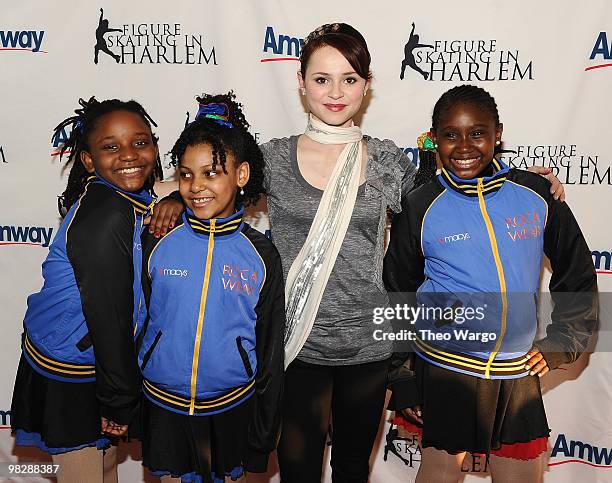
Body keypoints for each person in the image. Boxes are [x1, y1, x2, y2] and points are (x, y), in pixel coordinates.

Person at [149, 24, 565, 483]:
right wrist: (169, 198)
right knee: (298, 473)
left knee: (351, 470)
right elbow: (207, 184)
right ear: (301, 83)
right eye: (322, 79)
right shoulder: (272, 158)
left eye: (349, 79)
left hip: (369, 350)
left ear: (366, 87)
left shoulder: (387, 159)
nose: (335, 92)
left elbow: (450, 197)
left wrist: (522, 180)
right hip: (294, 350)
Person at [384, 84, 598, 483]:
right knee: (440, 473)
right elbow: (398, 292)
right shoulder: (421, 204)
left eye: (477, 133)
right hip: (444, 368)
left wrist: (563, 341)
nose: (464, 146)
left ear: (498, 133)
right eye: (450, 135)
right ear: (434, 140)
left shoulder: (536, 194)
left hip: (516, 374)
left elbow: (578, 272)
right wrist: (403, 377)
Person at [10, 97, 163, 482]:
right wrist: (118, 399)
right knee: (83, 470)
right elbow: (108, 317)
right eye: (110, 147)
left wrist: (176, 196)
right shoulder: (107, 215)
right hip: (74, 367)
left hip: (94, 359)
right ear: (89, 161)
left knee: (105, 463)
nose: (129, 155)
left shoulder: (124, 197)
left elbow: (189, 184)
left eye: (141, 142)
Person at [138, 92, 285, 482]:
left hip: (233, 408)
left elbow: (270, 347)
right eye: (186, 174)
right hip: (163, 405)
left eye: (211, 172)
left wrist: (264, 434)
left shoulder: (261, 254)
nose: (196, 186)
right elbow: (136, 321)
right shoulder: (156, 238)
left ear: (240, 175)